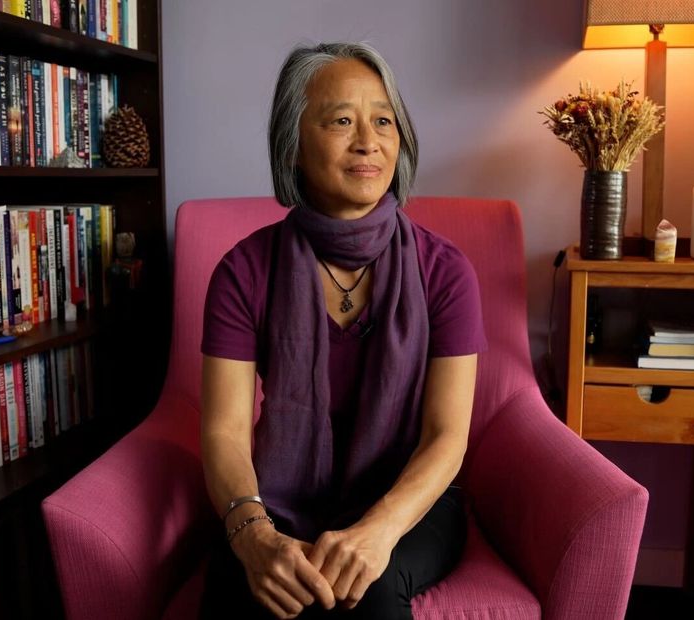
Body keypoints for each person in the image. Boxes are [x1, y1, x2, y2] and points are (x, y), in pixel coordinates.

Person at [198, 42, 488, 619]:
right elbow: (226, 432)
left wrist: (378, 531)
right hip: (279, 501)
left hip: (413, 503)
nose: (368, 140)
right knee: (244, 593)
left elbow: (446, 436)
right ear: (294, 144)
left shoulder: (444, 270)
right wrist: (254, 535)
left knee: (370, 595)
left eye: (383, 119)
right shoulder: (243, 270)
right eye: (340, 121)